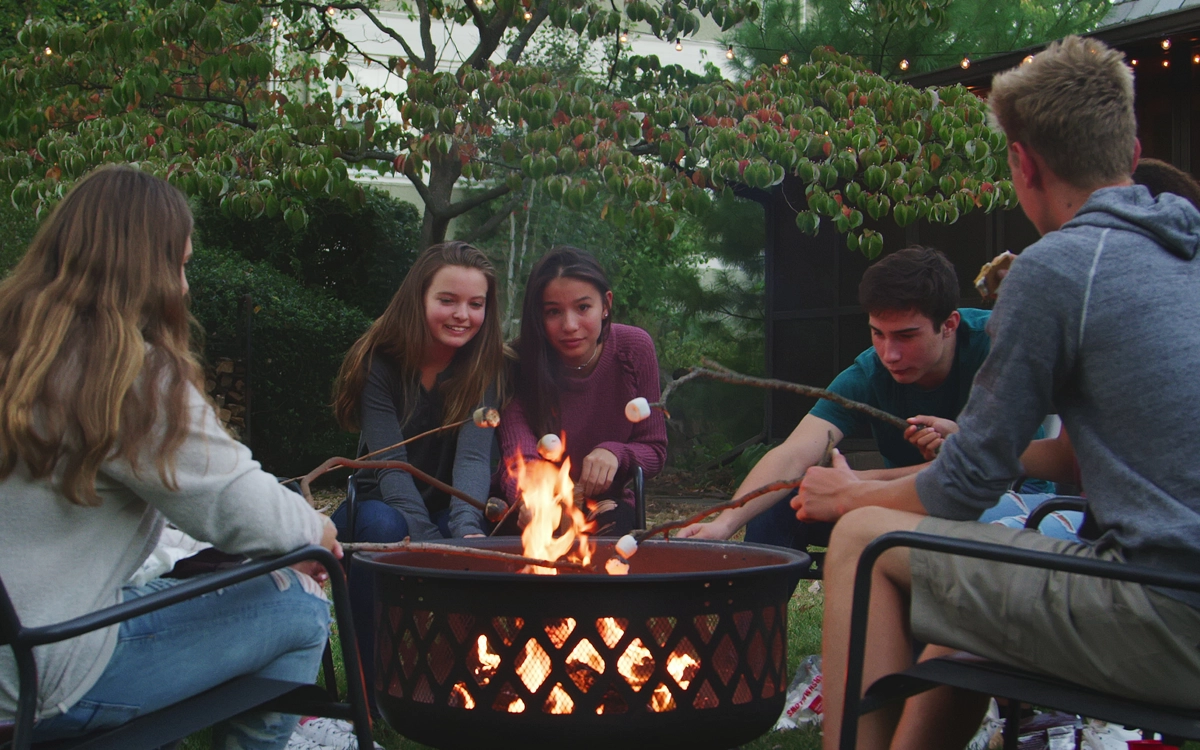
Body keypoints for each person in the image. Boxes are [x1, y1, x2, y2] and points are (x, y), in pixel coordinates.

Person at [797, 36, 1200, 749]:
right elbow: (1080, 462)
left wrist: (851, 498)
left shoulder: (1058, 268)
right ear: (1132, 153)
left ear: (1023, 163)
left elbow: (963, 486)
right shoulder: (1183, 255)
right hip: (1173, 597)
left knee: (864, 539)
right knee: (965, 640)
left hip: (1166, 613)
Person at [0, 166, 339, 750]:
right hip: (36, 680)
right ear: (141, 268)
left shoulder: (19, 345)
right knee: (303, 609)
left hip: (20, 639)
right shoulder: (121, 371)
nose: (184, 287)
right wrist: (319, 531)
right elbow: (238, 504)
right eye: (179, 266)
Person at [678, 246, 1050, 552]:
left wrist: (858, 484)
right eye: (878, 333)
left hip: (1001, 505)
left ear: (949, 325)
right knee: (780, 506)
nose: (890, 354)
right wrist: (724, 522)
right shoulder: (869, 373)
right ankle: (757, 635)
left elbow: (987, 471)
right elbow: (793, 454)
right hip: (890, 500)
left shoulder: (999, 348)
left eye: (906, 336)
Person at [326, 241, 505, 728]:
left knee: (482, 531)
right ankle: (369, 687)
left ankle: (458, 677)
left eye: (476, 303)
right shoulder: (379, 363)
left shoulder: (482, 365)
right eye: (447, 300)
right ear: (418, 297)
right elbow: (391, 467)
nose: (462, 315)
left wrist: (465, 528)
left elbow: (473, 456)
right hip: (382, 501)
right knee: (383, 526)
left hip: (450, 505)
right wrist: (426, 542)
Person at [495, 247, 667, 536]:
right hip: (535, 503)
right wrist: (534, 494)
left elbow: (654, 448)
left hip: (605, 504)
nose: (570, 325)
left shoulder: (634, 349)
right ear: (538, 315)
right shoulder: (519, 360)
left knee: (609, 538)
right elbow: (519, 450)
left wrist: (616, 453)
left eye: (583, 307)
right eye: (553, 312)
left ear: (606, 305)